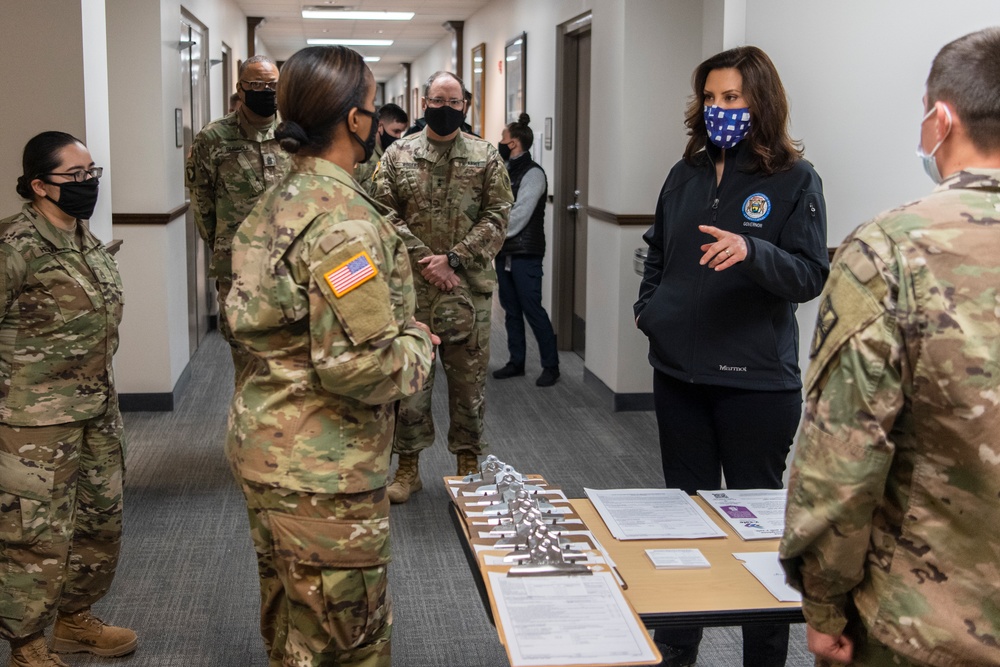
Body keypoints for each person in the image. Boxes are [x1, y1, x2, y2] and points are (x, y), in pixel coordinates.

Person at [780, 27, 1000, 667]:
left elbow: (843, 456)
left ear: (941, 119)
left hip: (927, 629)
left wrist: (823, 606)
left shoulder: (890, 252)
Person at [224, 46, 437, 667]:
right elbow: (361, 367)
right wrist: (420, 343)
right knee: (349, 642)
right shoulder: (343, 222)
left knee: (294, 628)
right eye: (372, 109)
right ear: (354, 120)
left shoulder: (277, 200)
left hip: (267, 447)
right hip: (325, 470)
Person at [633, 46, 828, 667]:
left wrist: (752, 251)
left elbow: (809, 275)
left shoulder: (796, 180)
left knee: (755, 538)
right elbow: (658, 250)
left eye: (733, 99)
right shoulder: (684, 172)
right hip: (679, 377)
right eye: (711, 99)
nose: (719, 110)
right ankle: (678, 649)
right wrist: (650, 311)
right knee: (681, 525)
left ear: (760, 104)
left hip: (756, 388)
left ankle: (763, 657)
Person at [1, 132, 136, 666]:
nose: (89, 184)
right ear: (39, 185)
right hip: (35, 424)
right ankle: (26, 641)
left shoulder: (83, 238)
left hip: (96, 408)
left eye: (92, 171)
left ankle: (74, 618)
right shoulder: (16, 247)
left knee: (99, 518)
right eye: (75, 176)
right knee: (33, 533)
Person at [374, 70, 513, 502]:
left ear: (466, 106)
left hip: (467, 288)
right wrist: (427, 261)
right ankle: (408, 468)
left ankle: (468, 468)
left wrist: (453, 259)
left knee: (469, 385)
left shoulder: (486, 155)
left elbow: (498, 216)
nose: (446, 109)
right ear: (424, 103)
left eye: (455, 102)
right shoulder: (397, 155)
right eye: (438, 100)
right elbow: (382, 215)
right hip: (412, 291)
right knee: (410, 386)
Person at [186, 54, 290, 386]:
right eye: (256, 84)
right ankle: (249, 436)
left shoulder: (293, 135)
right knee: (247, 363)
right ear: (240, 88)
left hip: (290, 268)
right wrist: (225, 247)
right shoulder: (212, 138)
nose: (265, 91)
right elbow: (202, 204)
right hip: (238, 269)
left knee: (290, 362)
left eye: (272, 85)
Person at [491, 113, 560, 387]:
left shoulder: (534, 174)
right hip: (505, 251)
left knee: (533, 309)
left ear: (515, 143)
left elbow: (519, 215)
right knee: (510, 309)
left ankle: (551, 366)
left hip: (525, 253)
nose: (500, 142)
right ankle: (515, 362)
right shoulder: (506, 169)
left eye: (503, 139)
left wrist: (493, 234)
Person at [353, 102, 408, 196]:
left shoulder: (395, 155)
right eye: (396, 131)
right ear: (380, 126)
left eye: (401, 132)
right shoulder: (363, 156)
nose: (399, 137)